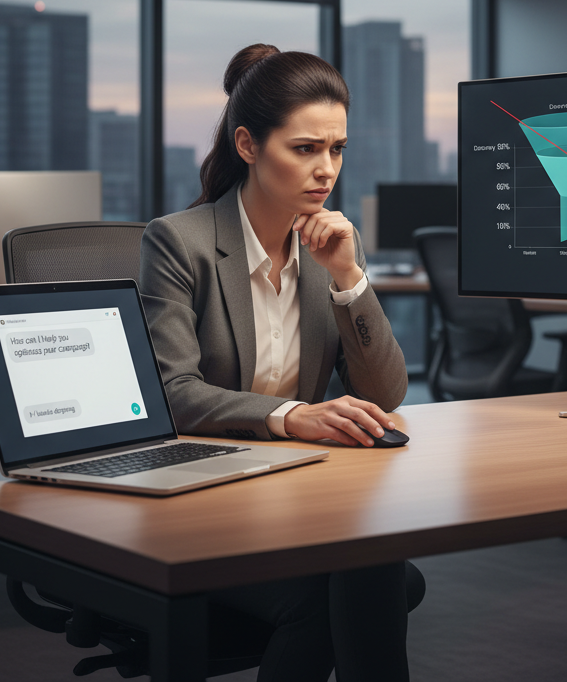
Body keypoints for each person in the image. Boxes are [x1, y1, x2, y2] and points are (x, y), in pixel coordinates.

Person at [140, 43, 417, 682]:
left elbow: (388, 389)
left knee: (368, 563)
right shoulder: (180, 243)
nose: (326, 170)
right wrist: (292, 416)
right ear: (248, 145)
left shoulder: (328, 248)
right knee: (363, 579)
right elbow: (169, 391)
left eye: (337, 149)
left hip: (300, 497)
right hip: (203, 497)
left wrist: (348, 277)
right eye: (305, 149)